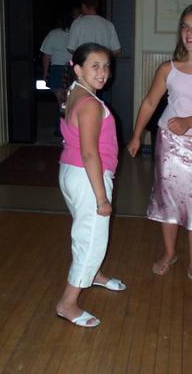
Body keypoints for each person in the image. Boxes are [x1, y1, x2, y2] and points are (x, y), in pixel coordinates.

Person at [127, 3, 192, 294]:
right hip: (168, 144)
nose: (189, 32)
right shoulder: (169, 68)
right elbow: (150, 103)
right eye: (185, 26)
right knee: (168, 202)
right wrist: (136, 135)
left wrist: (189, 122)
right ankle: (169, 253)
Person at [56, 43, 126, 328]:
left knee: (85, 229)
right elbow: (89, 153)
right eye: (95, 66)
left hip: (70, 172)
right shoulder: (91, 106)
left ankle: (93, 274)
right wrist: (101, 198)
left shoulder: (74, 92)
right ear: (78, 69)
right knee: (91, 240)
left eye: (106, 66)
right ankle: (67, 303)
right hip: (87, 177)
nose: (103, 72)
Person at [40, 10, 75, 136]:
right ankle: (67, 130)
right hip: (72, 69)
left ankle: (61, 130)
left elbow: (46, 55)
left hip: (57, 69)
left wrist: (45, 72)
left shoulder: (53, 34)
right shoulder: (76, 34)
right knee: (70, 102)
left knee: (61, 102)